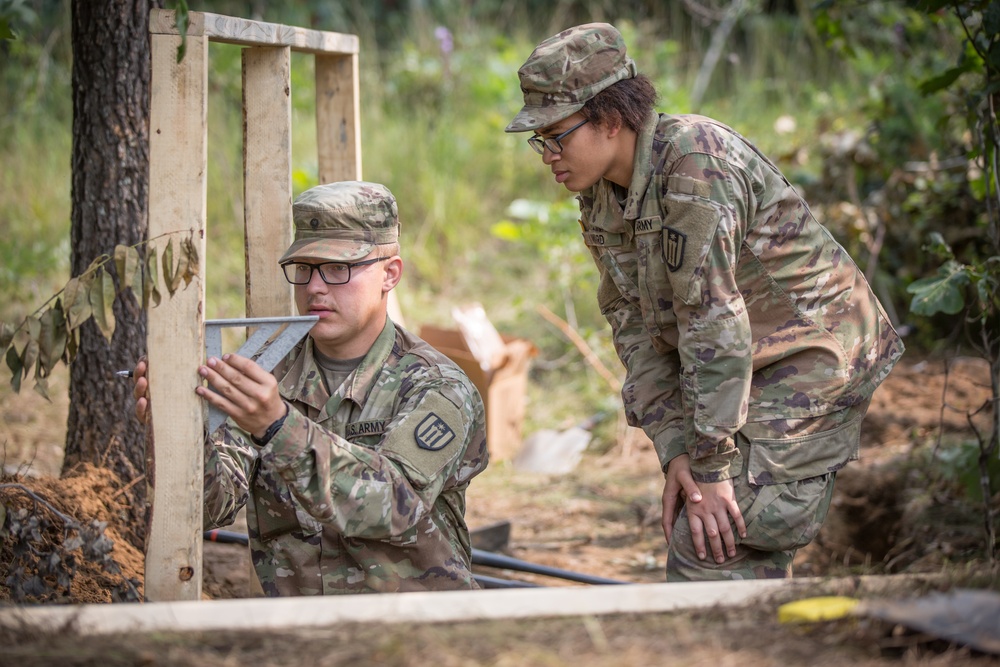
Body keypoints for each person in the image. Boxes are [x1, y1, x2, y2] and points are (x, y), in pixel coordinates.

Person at [506, 24, 904, 581]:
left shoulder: (697, 165)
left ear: (610, 120)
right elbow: (635, 329)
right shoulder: (599, 196)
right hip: (741, 359)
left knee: (722, 543)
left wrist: (713, 466)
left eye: (555, 136)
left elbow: (712, 322)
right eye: (538, 140)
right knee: (704, 520)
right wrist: (677, 451)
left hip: (813, 357)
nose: (546, 155)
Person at [133, 181, 489, 595]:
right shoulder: (269, 373)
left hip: (415, 635)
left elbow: (391, 506)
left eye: (338, 269)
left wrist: (278, 429)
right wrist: (173, 433)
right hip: (304, 638)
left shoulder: (437, 387)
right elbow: (211, 507)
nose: (314, 287)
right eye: (304, 269)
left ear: (390, 274)